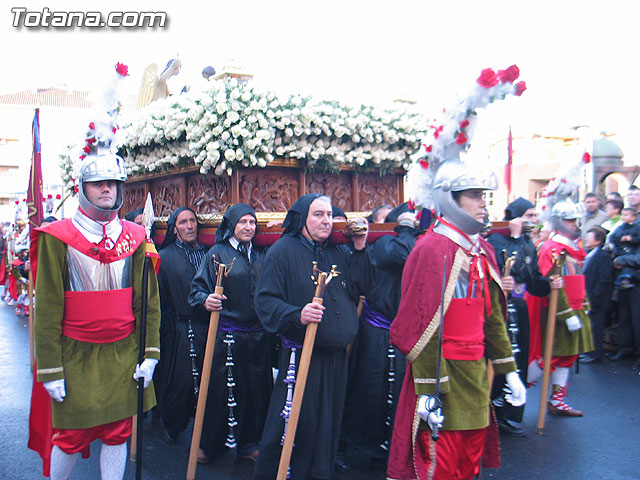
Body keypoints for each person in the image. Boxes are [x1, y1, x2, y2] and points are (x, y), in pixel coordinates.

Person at [388, 158, 525, 480]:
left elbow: (492, 322)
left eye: (484, 196)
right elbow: (418, 326)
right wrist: (428, 389)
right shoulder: (431, 249)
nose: (483, 204)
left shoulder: (483, 250)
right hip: (443, 377)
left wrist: (510, 371)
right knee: (440, 466)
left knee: (469, 464)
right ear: (452, 198)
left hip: (476, 376)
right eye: (474, 195)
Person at [30, 149, 160, 480]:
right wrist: (50, 368)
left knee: (118, 433)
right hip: (75, 354)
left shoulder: (135, 237)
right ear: (82, 188)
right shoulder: (57, 238)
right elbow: (46, 307)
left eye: (113, 184)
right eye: (99, 184)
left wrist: (150, 354)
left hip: (123, 353)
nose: (107, 190)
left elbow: (148, 302)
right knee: (71, 436)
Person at [252, 193, 374, 480]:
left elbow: (364, 287)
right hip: (301, 356)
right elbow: (265, 301)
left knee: (328, 425)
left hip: (336, 360)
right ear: (303, 219)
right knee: (294, 425)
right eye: (318, 214)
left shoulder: (338, 252)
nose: (326, 221)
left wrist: (359, 248)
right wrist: (297, 314)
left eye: (330, 215)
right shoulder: (282, 251)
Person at [189, 203, 272, 464]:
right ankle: (210, 445)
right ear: (232, 226)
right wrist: (206, 300)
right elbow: (197, 289)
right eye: (243, 222)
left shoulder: (261, 254)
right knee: (220, 393)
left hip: (258, 337)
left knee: (256, 393)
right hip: (227, 335)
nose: (248, 227)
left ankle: (249, 443)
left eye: (252, 223)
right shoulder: (218, 252)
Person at [339, 204, 420, 471]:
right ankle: (363, 446)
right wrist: (406, 228)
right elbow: (401, 254)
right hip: (376, 328)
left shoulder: (417, 242)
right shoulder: (385, 243)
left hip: (404, 329)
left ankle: (392, 443)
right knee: (369, 389)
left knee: (398, 392)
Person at [486, 197, 558, 436]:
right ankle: (491, 408)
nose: (534, 221)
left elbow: (533, 278)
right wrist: (515, 238)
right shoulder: (497, 240)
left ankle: (508, 412)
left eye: (535, 216)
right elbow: (506, 266)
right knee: (501, 359)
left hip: (520, 306)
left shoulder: (527, 241)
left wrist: (549, 284)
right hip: (500, 308)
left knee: (519, 359)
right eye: (528, 216)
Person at [525, 196, 594, 416]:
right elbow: (551, 284)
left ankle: (556, 399)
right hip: (557, 311)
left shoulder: (572, 247)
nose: (575, 224)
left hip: (575, 308)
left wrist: (582, 305)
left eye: (576, 220)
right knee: (550, 355)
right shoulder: (552, 248)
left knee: (568, 356)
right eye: (570, 220)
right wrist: (566, 313)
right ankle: (512, 392)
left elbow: (575, 279)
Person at [156, 207, 208, 442]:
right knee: (182, 380)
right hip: (180, 327)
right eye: (184, 222)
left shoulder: (209, 252)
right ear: (174, 229)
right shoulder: (165, 257)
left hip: (209, 325)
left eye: (193, 221)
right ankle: (174, 424)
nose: (190, 226)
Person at [582, 227, 613, 363]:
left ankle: (595, 353)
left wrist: (595, 295)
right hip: (590, 296)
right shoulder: (589, 254)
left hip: (597, 299)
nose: (586, 239)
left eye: (590, 237)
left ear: (598, 240)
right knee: (590, 326)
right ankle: (589, 351)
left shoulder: (602, 257)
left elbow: (605, 279)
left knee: (596, 327)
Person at [609, 208, 640, 290]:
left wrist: (631, 239)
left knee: (628, 265)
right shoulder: (619, 227)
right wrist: (620, 238)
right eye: (622, 215)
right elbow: (612, 237)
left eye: (626, 215)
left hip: (631, 251)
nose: (623, 217)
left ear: (633, 218)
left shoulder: (636, 228)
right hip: (619, 250)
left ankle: (626, 280)